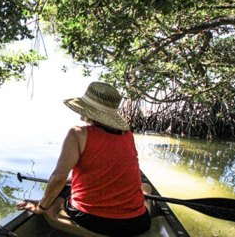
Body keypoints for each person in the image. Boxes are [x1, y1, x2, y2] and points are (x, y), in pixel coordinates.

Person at [17, 82, 151, 237]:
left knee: (53, 204)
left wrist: (41, 207)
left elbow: (58, 177)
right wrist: (71, 180)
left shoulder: (77, 134)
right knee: (145, 187)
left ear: (87, 109)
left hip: (92, 221)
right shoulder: (128, 135)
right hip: (137, 224)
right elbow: (107, 167)